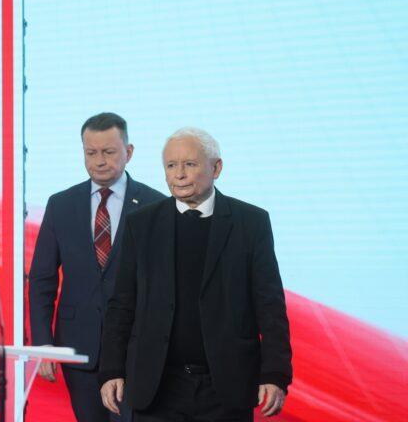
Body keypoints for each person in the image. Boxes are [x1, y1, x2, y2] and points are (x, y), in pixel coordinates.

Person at [99, 128, 292, 422]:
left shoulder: (251, 223)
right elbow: (122, 304)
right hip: (157, 387)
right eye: (171, 165)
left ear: (216, 168)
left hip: (226, 387)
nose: (179, 174)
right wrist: (112, 369)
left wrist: (275, 373)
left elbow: (270, 306)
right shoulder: (142, 224)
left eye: (189, 164)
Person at [28, 112, 166, 422]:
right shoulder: (61, 205)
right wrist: (42, 343)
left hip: (134, 351)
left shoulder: (155, 206)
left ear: (128, 152)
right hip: (78, 347)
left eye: (108, 152)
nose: (99, 161)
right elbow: (41, 280)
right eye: (91, 153)